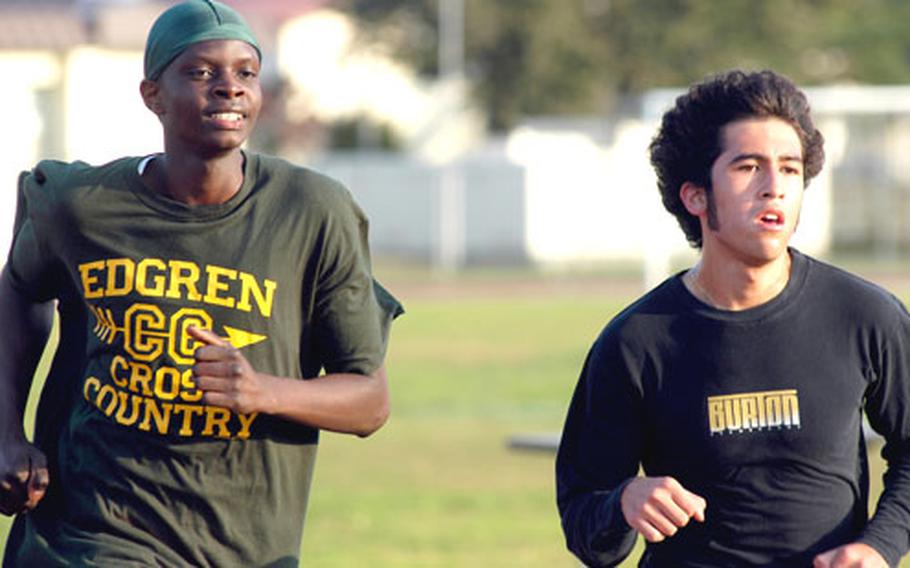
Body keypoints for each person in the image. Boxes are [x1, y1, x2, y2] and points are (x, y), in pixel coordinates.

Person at [0, 1, 402, 566]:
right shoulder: (83, 206)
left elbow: (370, 402)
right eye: (202, 72)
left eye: (246, 73)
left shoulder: (312, 211)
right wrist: (8, 432)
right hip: (92, 530)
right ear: (152, 95)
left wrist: (262, 391)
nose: (230, 88)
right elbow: (19, 288)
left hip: (243, 543)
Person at [556, 69, 910, 567]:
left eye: (789, 169)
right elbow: (583, 519)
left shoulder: (866, 316)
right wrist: (624, 503)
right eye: (749, 167)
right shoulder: (636, 340)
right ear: (696, 196)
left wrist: (880, 547)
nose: (775, 188)